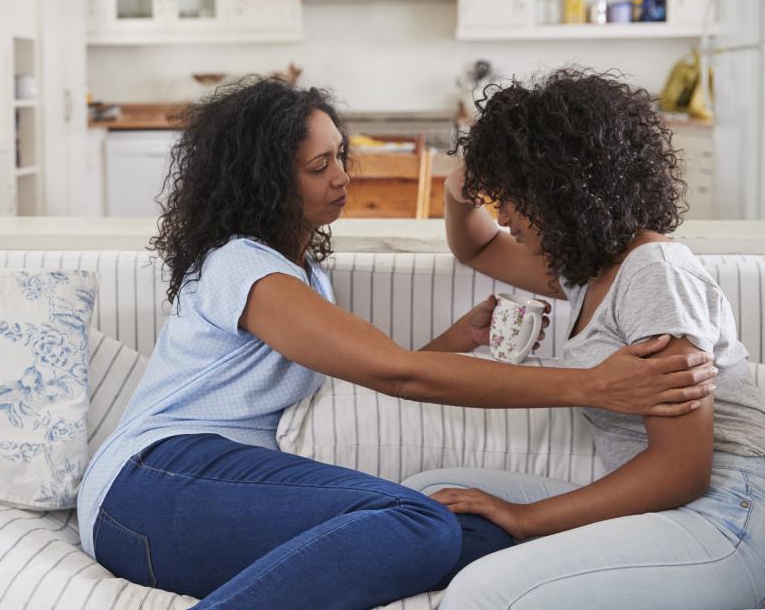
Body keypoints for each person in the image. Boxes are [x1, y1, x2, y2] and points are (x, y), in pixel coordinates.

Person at [75, 76, 716, 610]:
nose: (342, 176)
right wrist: (592, 383)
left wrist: (454, 341)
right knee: (423, 522)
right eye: (318, 166)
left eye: (342, 157)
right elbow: (395, 374)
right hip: (154, 480)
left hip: (197, 509)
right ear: (264, 182)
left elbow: (370, 372)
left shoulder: (304, 278)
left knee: (475, 531)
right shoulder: (243, 267)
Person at [405, 68, 765, 609]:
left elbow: (680, 470)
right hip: (674, 505)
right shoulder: (591, 270)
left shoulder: (655, 273)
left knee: (488, 592)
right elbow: (477, 250)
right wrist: (461, 191)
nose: (501, 216)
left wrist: (524, 519)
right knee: (428, 494)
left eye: (512, 196)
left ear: (563, 188)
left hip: (731, 508)